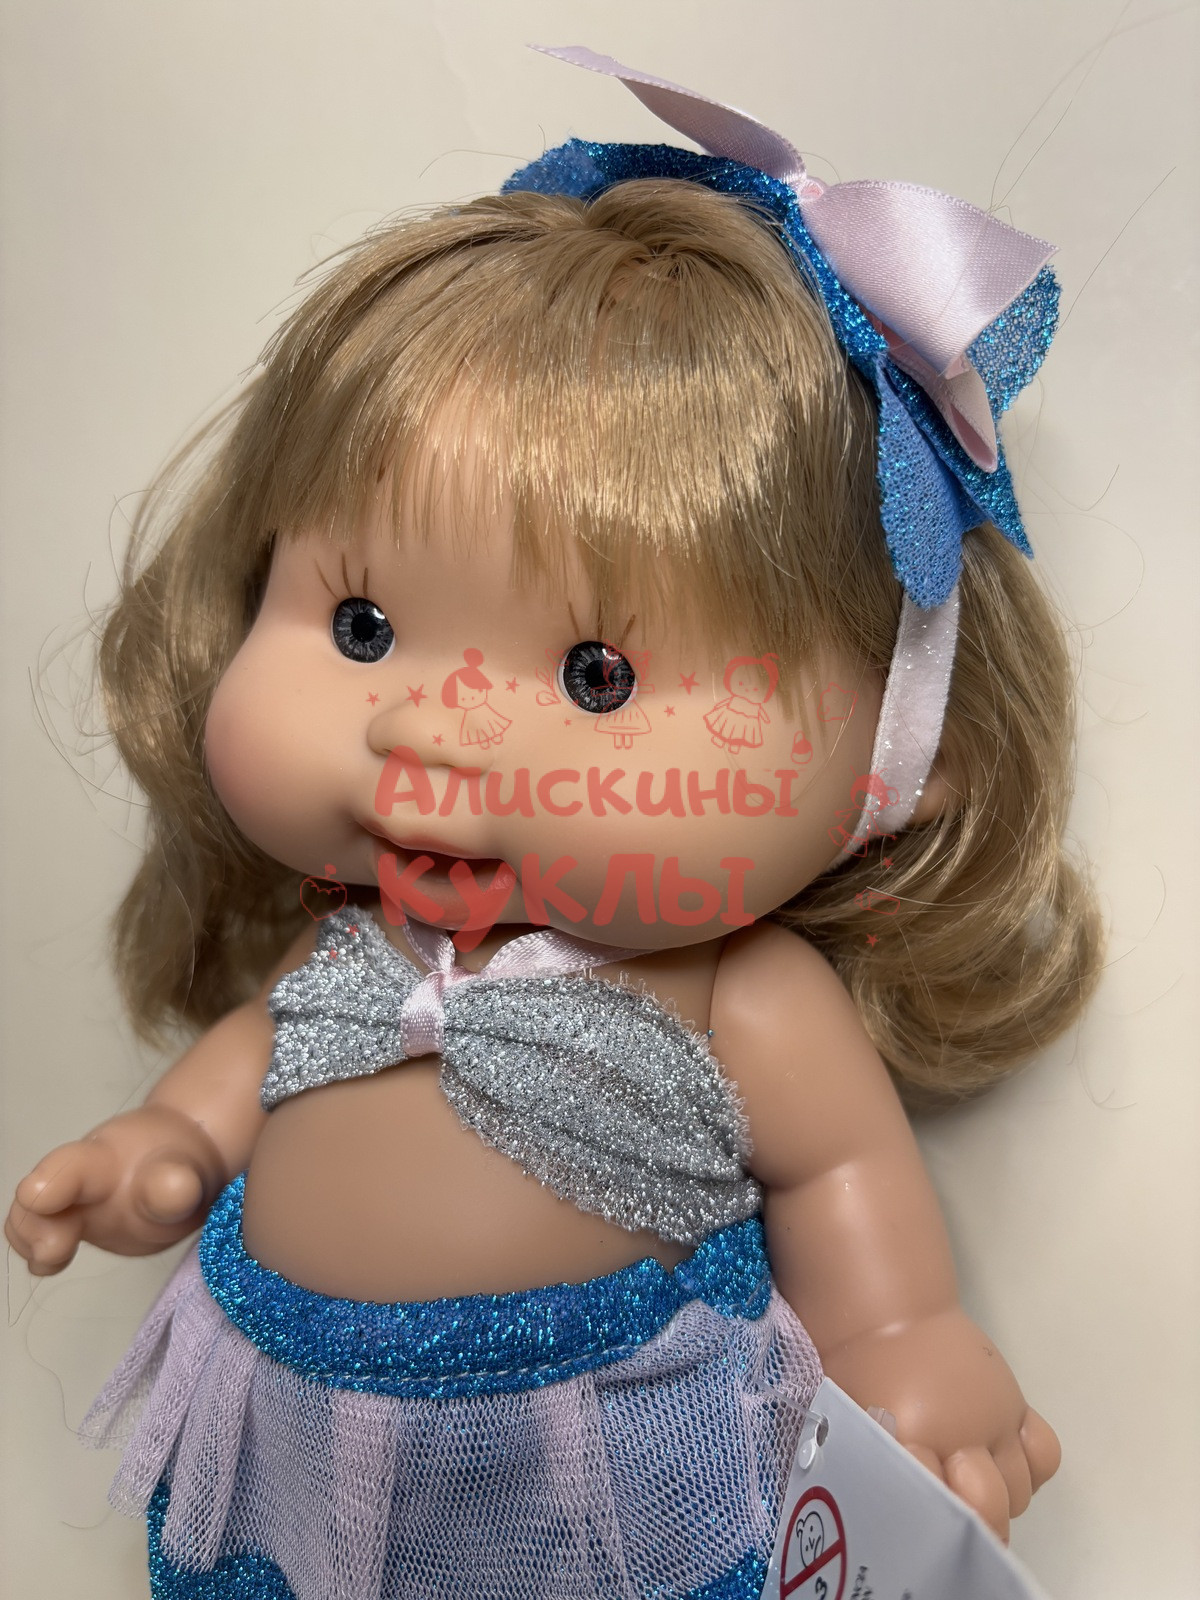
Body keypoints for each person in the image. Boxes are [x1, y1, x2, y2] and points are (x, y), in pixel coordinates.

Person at [4, 51, 1102, 1600]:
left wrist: (906, 1340)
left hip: (601, 1461)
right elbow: (251, 1067)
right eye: (365, 626)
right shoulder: (353, 950)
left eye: (599, 676)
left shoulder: (733, 991)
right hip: (291, 1438)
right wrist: (162, 1148)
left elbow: (841, 1179)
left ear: (898, 756)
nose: (428, 727)